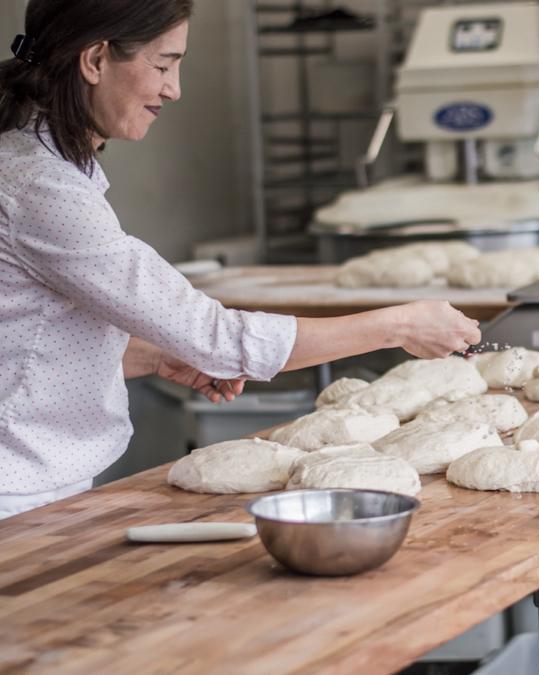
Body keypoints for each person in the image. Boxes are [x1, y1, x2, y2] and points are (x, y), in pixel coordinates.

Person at [0, 0, 480, 518]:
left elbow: (26, 342)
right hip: (17, 496)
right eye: (163, 64)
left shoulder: (45, 171)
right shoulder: (40, 189)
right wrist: (400, 324)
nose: (173, 88)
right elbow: (221, 339)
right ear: (94, 61)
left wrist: (158, 356)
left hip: (40, 488)